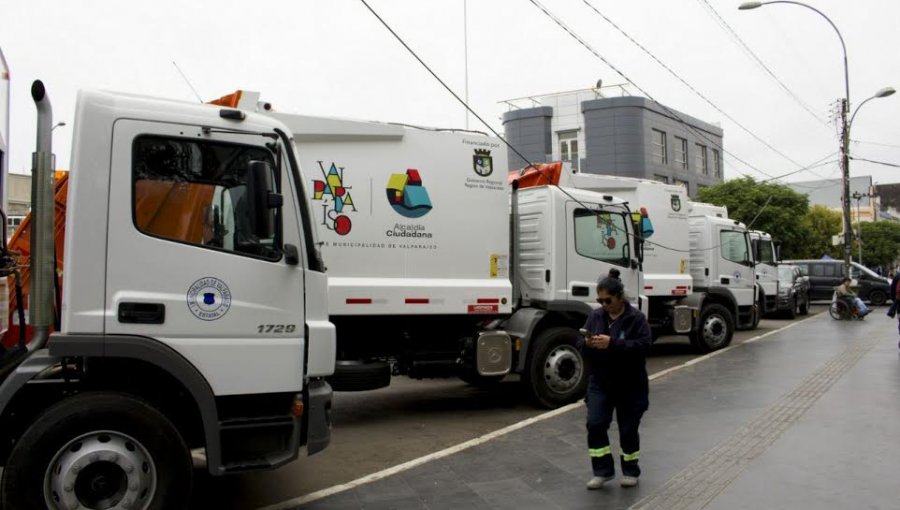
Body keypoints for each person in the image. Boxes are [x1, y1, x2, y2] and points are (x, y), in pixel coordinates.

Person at [580, 269, 652, 490]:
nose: (603, 304)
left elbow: (644, 346)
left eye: (607, 300)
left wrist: (613, 343)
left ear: (620, 297)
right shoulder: (596, 316)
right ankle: (602, 471)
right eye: (599, 300)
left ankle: (630, 471)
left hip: (630, 385)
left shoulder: (636, 319)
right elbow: (578, 341)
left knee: (628, 429)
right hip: (600, 383)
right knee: (595, 424)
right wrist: (587, 343)